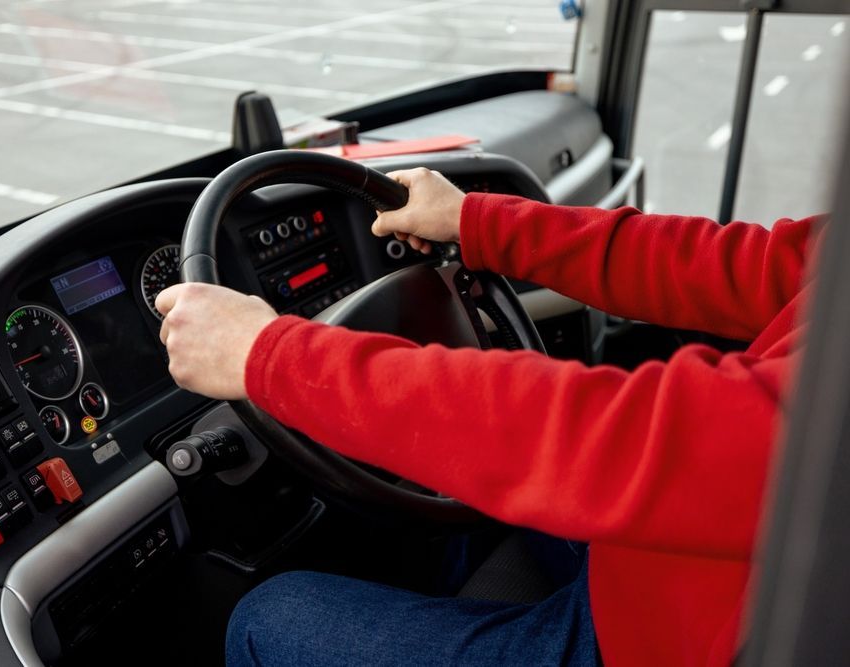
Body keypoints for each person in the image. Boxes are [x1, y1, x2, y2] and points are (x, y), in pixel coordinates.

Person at [154, 167, 821, 666]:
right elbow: (749, 264)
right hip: (680, 565)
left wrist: (270, 355)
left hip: (672, 640)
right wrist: (478, 221)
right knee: (463, 503)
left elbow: (639, 438)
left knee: (264, 618)